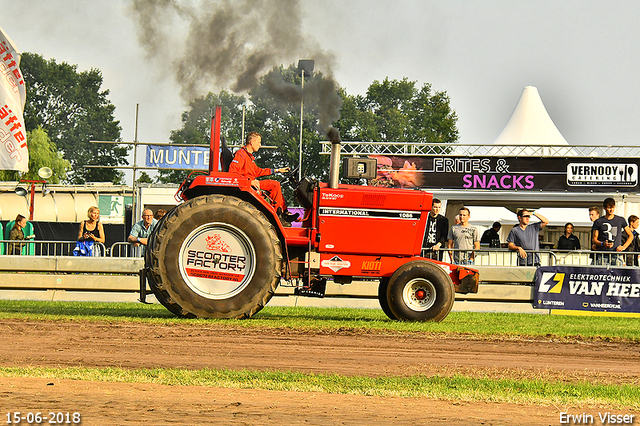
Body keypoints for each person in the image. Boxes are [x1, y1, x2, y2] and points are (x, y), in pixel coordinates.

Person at [229, 131, 298, 225]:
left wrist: (277, 170)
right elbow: (232, 173)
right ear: (251, 142)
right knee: (275, 185)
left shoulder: (249, 157)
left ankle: (283, 213)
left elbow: (258, 171)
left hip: (251, 183)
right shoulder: (241, 155)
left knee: (275, 185)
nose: (260, 145)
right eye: (259, 142)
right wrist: (249, 182)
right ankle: (280, 216)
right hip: (247, 185)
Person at [591, 198, 632, 266]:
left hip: (616, 254)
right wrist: (602, 244)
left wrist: (623, 247)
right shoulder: (598, 222)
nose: (611, 210)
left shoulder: (620, 220)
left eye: (613, 207)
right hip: (602, 254)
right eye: (609, 208)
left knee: (618, 275)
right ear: (604, 208)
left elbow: (630, 235)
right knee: (601, 274)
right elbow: (594, 239)